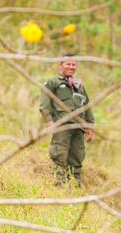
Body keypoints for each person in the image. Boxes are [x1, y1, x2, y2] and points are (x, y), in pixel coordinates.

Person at [39, 54, 94, 185]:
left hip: (78, 128)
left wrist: (89, 126)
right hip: (62, 126)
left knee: (77, 156)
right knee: (59, 155)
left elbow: (87, 106)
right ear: (60, 65)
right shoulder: (53, 83)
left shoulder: (79, 85)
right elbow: (44, 105)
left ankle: (75, 186)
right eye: (68, 64)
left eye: (73, 64)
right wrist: (49, 121)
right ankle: (59, 186)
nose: (71, 67)